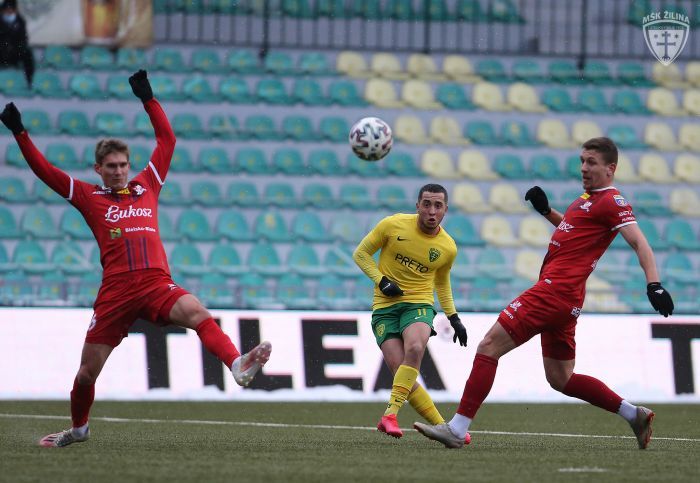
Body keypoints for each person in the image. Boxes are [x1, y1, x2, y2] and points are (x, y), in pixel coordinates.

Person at [0, 69, 272, 448]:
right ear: (99, 169)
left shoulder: (148, 184)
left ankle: (237, 365)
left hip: (155, 281)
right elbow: (45, 172)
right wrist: (20, 133)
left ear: (130, 165)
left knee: (198, 313)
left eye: (123, 165)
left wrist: (149, 99)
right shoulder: (88, 196)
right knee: (85, 375)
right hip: (116, 292)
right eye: (111, 167)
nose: (119, 171)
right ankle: (78, 430)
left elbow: (167, 138)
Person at [414, 137, 674, 451]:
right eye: (582, 161)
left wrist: (653, 283)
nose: (584, 168)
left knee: (488, 345)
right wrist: (546, 211)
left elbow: (639, 242)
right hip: (567, 300)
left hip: (553, 292)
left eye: (591, 162)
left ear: (611, 168)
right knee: (561, 377)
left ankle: (457, 428)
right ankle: (634, 414)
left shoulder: (611, 201)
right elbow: (573, 232)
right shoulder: (585, 201)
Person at [352, 183, 469, 439]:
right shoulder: (392, 225)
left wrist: (453, 317)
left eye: (438, 205)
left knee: (415, 349)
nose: (431, 210)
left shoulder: (447, 247)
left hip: (419, 305)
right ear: (417, 205)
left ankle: (390, 415)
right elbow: (361, 254)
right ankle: (447, 428)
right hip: (384, 308)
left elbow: (441, 282)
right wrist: (381, 280)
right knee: (402, 376)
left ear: (445, 210)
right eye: (426, 204)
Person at [0, 0, 34, 87]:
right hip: (1, 52)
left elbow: (24, 39)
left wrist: (15, 47)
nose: (9, 12)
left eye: (12, 10)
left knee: (27, 54)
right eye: (7, 11)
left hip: (14, 53)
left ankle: (29, 82)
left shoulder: (20, 22)